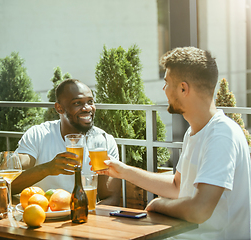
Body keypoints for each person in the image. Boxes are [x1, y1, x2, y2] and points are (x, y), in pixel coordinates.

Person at [98, 47, 251, 239]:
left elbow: (199, 210)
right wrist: (124, 171)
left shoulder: (222, 135)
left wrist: (158, 204)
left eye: (167, 83)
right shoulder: (194, 131)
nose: (164, 90)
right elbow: (177, 186)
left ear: (183, 88)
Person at [12, 79, 121, 206]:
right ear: (59, 108)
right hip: (43, 217)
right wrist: (46, 169)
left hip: (83, 219)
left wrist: (80, 216)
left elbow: (112, 199)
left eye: (90, 101)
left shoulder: (104, 141)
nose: (87, 108)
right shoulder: (38, 134)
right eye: (77, 103)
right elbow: (10, 184)